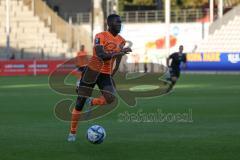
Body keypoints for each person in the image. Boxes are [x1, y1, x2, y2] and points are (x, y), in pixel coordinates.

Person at [67, 14, 132, 142]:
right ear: (110, 24)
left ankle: (91, 101)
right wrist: (119, 52)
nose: (120, 25)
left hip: (105, 73)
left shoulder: (121, 40)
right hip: (92, 71)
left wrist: (115, 69)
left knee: (110, 98)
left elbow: (118, 56)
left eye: (120, 22)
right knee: (79, 102)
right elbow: (101, 54)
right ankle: (72, 132)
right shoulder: (100, 36)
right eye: (117, 23)